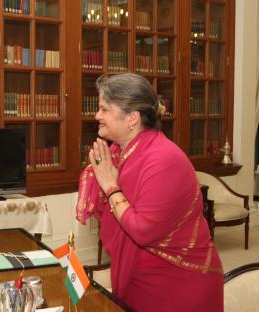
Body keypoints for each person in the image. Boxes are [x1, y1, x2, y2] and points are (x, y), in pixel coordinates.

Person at [76, 73, 223, 311]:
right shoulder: (119, 153)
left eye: (104, 109)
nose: (97, 116)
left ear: (132, 117)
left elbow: (144, 231)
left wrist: (110, 187)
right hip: (141, 276)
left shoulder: (163, 159)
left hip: (178, 284)